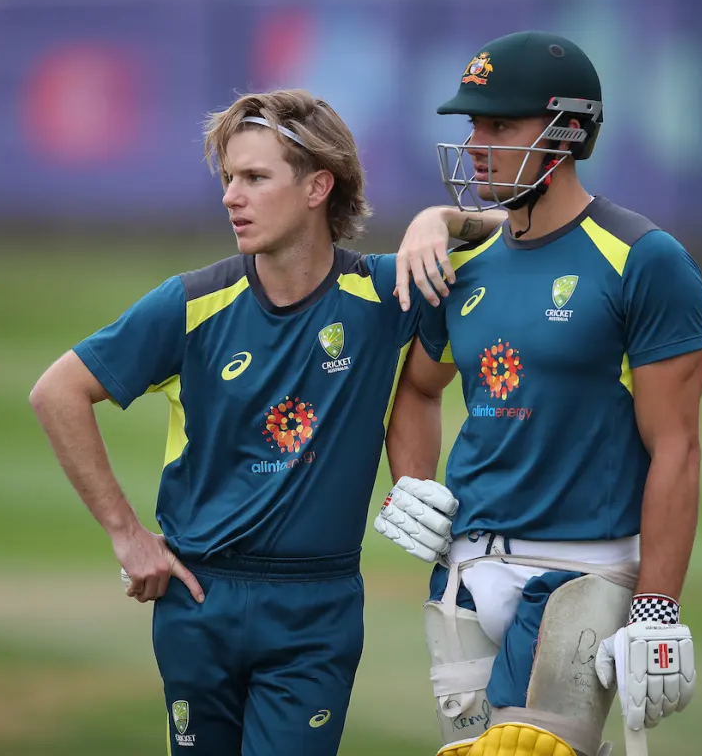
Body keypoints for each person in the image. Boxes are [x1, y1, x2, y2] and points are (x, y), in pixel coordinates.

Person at [28, 88, 497, 756]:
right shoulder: (191, 304)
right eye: (228, 179)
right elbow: (57, 393)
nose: (231, 197)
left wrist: (440, 220)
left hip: (317, 609)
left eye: (254, 178)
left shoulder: (386, 293)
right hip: (199, 602)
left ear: (317, 187)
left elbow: (520, 230)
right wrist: (128, 535)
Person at [373, 31, 702, 756]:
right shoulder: (461, 264)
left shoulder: (646, 261)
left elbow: (676, 445)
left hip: (580, 572)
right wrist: (412, 484)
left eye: (498, 125)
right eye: (471, 125)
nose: (474, 143)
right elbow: (418, 390)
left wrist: (656, 604)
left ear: (566, 133)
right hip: (461, 573)